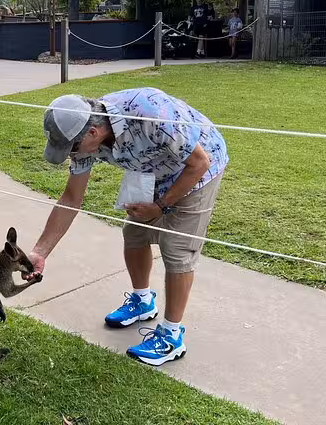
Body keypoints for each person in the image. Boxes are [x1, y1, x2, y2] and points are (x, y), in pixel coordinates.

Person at [25, 89, 228, 366]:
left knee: (177, 249)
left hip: (198, 168)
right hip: (152, 168)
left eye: (71, 147)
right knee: (134, 234)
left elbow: (199, 163)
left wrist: (160, 206)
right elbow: (72, 198)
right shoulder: (87, 136)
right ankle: (143, 302)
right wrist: (40, 252)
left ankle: (171, 336)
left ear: (93, 134)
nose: (71, 154)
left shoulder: (151, 115)